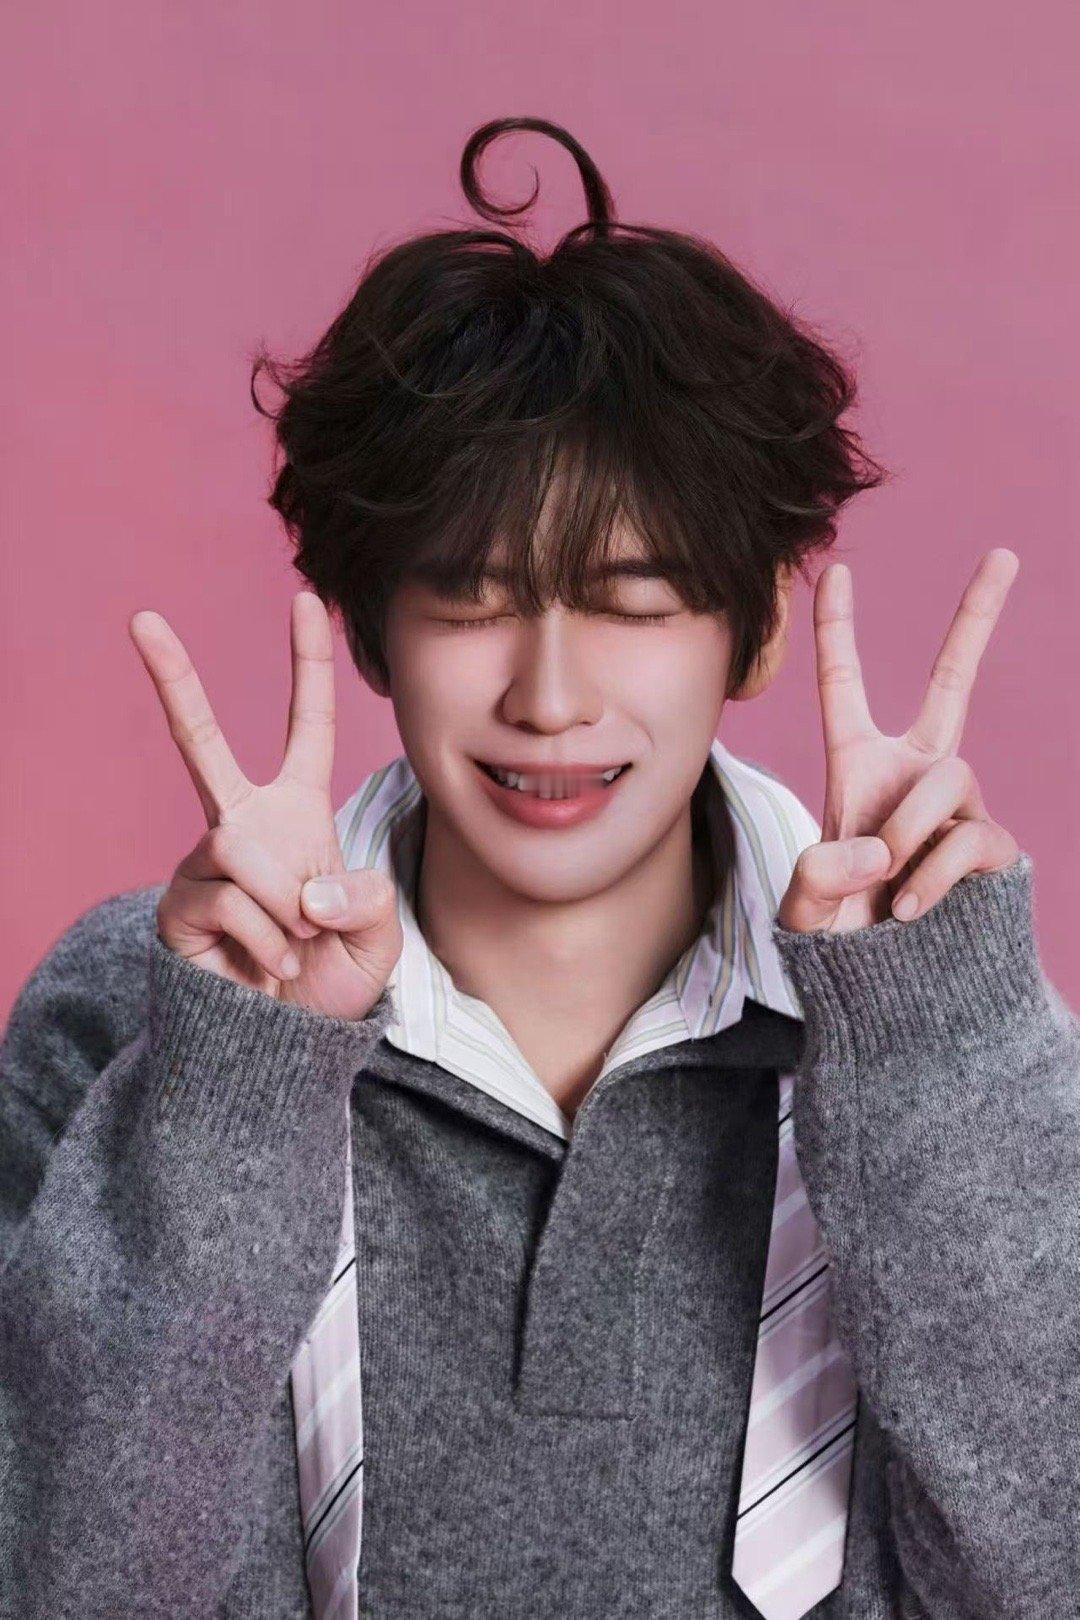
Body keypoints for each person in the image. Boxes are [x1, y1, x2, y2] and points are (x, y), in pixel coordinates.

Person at [1, 115, 1076, 1620]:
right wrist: (237, 1086)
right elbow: (67, 1582)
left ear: (758, 628)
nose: (551, 698)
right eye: (473, 602)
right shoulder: (145, 1005)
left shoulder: (943, 1033)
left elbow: (1043, 1567)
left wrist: (932, 1036)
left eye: (632, 604)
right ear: (370, 628)